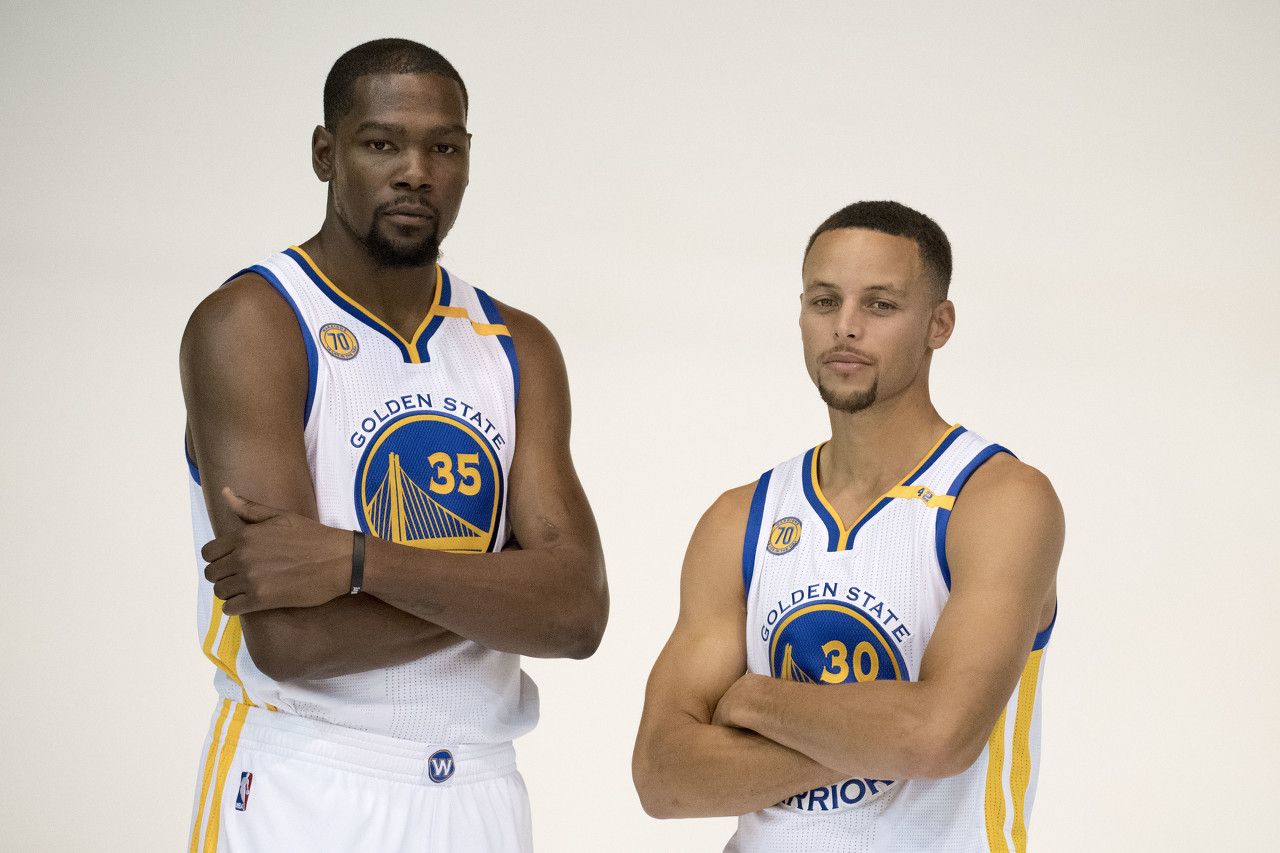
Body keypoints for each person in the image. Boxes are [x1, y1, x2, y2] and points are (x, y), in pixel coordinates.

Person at [180, 38, 608, 853]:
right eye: (382, 143)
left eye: (443, 148)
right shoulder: (256, 325)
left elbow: (579, 612)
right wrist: (506, 589)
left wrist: (354, 561)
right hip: (307, 782)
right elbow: (292, 640)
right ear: (325, 153)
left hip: (482, 791)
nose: (416, 172)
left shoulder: (517, 345)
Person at [632, 201, 1062, 852]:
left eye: (880, 305)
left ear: (938, 324)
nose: (846, 327)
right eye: (825, 301)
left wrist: (755, 702)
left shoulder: (998, 500)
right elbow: (664, 778)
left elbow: (939, 738)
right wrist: (875, 733)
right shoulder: (741, 517)